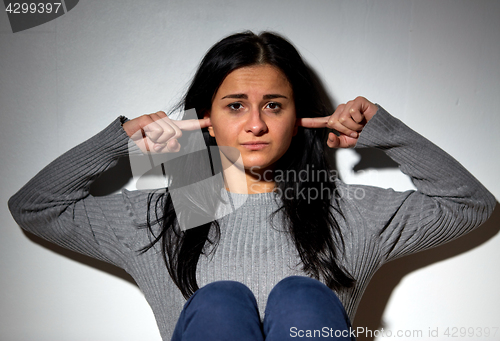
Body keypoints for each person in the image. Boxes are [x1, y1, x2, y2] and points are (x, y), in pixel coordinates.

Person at [8, 31, 495, 341]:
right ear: (209, 120)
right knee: (219, 303)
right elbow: (35, 207)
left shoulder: (346, 210)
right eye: (236, 105)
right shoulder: (173, 211)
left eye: (275, 106)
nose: (256, 124)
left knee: (301, 299)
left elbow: (470, 206)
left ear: (298, 116)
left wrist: (382, 132)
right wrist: (120, 142)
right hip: (193, 196)